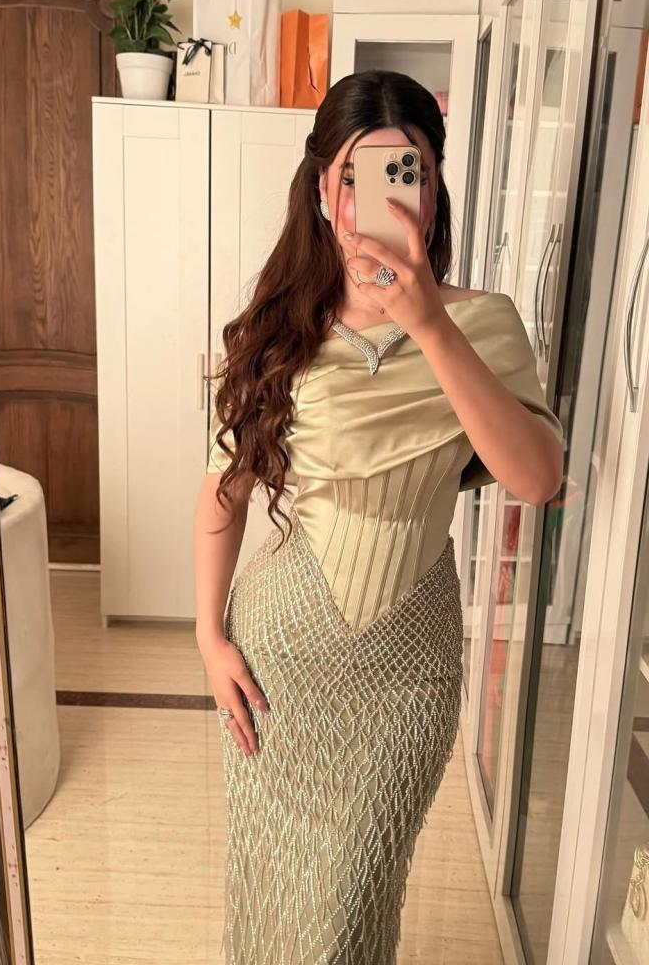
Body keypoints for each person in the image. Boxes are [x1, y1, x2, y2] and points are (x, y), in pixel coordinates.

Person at [193, 69, 564, 964]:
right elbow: (223, 488)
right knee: (275, 891)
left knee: (354, 906)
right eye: (360, 176)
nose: (390, 199)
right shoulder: (280, 329)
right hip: (281, 659)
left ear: (435, 190)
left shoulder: (485, 324)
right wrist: (208, 635)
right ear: (326, 190)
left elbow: (539, 479)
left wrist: (431, 325)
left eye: (413, 173)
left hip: (408, 675)